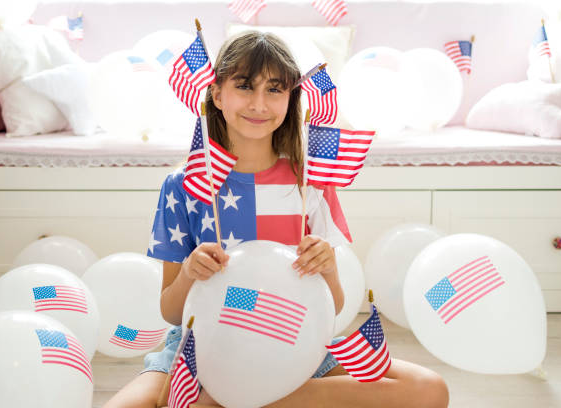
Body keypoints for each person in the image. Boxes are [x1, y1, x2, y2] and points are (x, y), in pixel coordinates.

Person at [103, 31, 449, 408]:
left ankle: (228, 402)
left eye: (274, 89)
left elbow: (331, 305)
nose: (258, 103)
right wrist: (189, 272)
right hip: (201, 345)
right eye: (244, 86)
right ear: (217, 95)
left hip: (290, 337)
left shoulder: (309, 184)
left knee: (427, 389)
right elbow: (170, 310)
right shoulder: (183, 185)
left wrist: (328, 268)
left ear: (290, 99)